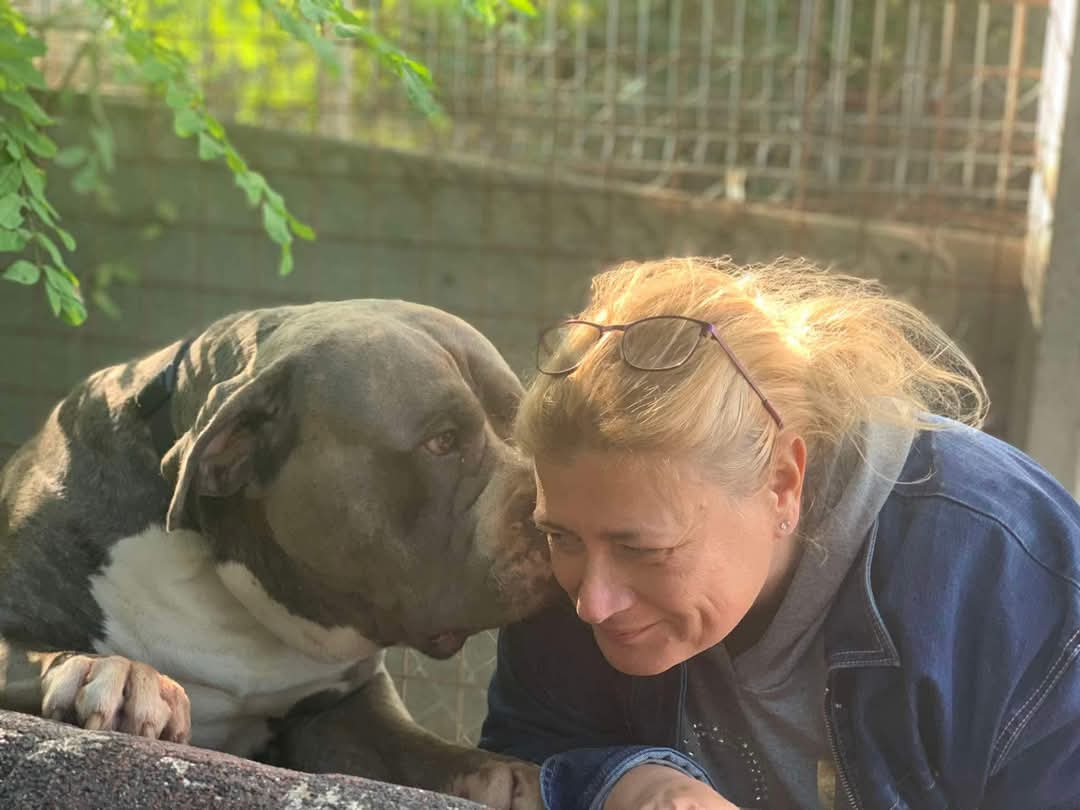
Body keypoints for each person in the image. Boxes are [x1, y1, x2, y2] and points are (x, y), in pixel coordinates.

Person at [478, 257, 1080, 809]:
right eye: (563, 538)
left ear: (783, 482)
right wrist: (633, 783)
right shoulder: (578, 518)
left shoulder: (1009, 575)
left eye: (643, 550)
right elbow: (520, 751)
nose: (592, 603)